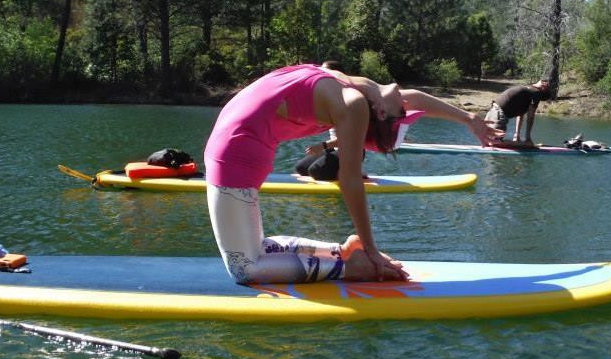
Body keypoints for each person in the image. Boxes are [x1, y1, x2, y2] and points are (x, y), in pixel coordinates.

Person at [203, 63, 503, 286]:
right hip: (234, 147)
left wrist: (469, 119)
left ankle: (348, 261)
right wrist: (469, 119)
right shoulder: (360, 95)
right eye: (404, 116)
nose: (405, 102)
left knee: (248, 264)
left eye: (403, 114)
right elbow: (413, 101)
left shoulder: (357, 94)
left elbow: (351, 176)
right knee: (251, 259)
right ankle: (349, 258)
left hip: (236, 147)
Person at [484, 79, 551, 146]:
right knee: (495, 143)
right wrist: (528, 139)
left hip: (492, 111)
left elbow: (520, 114)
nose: (543, 82)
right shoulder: (536, 92)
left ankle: (519, 142)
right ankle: (524, 144)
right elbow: (530, 116)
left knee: (488, 141)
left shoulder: (528, 90)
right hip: (498, 113)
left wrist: (517, 135)